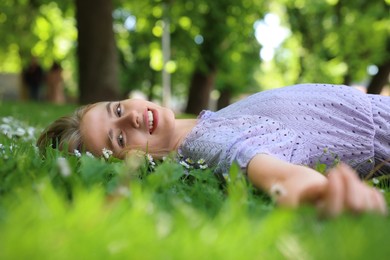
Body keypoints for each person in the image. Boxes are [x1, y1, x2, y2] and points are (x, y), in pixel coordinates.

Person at [37, 83, 389, 216]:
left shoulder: (207, 122)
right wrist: (319, 191)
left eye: (116, 109)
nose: (129, 117)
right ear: (133, 160)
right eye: (119, 140)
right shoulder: (204, 146)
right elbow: (268, 170)